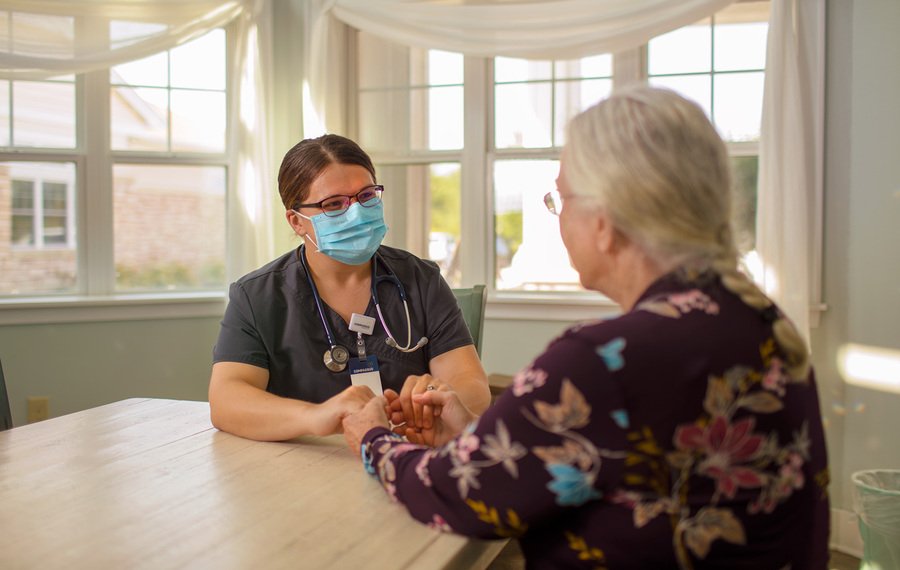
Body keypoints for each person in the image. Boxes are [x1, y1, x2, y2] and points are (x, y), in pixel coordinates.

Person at [342, 86, 830, 568]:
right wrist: (475, 434)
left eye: (563, 197)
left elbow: (458, 494)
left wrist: (374, 439)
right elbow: (631, 463)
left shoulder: (601, 361)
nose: (559, 215)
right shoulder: (760, 318)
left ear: (607, 218)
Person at [209, 134, 490, 441]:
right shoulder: (256, 297)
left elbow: (470, 383)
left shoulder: (421, 280)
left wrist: (434, 399)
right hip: (303, 462)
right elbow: (227, 399)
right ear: (296, 221)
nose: (356, 212)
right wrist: (316, 416)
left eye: (367, 196)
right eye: (334, 204)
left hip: (406, 451)